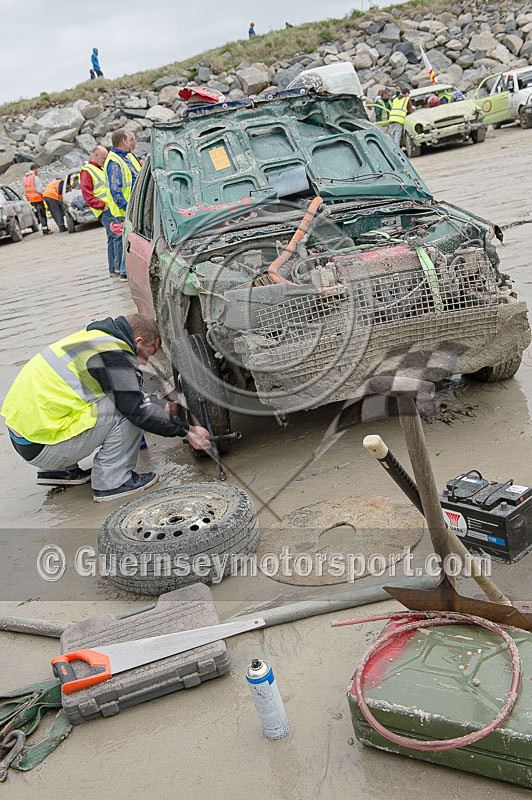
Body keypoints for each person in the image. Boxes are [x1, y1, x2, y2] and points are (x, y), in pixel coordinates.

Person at [1, 314, 211, 502]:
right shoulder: (115, 354)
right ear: (137, 341)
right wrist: (187, 431)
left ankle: (60, 472)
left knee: (114, 399)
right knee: (124, 410)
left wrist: (159, 406)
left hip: (25, 437)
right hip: (42, 446)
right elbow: (136, 409)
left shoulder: (94, 338)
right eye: (149, 352)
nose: (146, 361)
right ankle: (113, 482)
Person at [103, 129, 140, 280]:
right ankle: (125, 272)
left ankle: (125, 270)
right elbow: (115, 189)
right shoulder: (114, 161)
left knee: (128, 240)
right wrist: (127, 207)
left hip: (132, 207)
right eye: (131, 139)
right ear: (124, 141)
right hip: (123, 210)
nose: (134, 142)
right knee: (125, 241)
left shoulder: (127, 157)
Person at [80, 145, 122, 277]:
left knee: (111, 238)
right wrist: (101, 206)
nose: (105, 161)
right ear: (95, 155)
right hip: (105, 210)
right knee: (118, 236)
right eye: (103, 158)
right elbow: (87, 195)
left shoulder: (99, 169)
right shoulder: (87, 171)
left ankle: (113, 267)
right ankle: (119, 267)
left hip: (109, 208)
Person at [22, 164, 51, 235]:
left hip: (30, 200)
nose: (38, 171)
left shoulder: (25, 178)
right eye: (37, 169)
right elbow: (38, 189)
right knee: (42, 215)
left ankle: (42, 228)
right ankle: (45, 230)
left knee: (37, 215)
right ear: (34, 169)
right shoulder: (34, 177)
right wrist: (43, 194)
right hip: (37, 199)